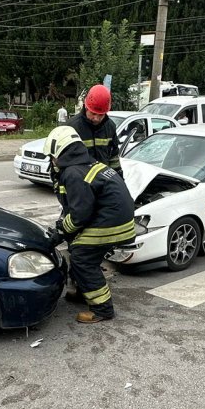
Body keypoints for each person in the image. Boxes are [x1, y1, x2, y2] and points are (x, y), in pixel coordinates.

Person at [44, 126, 136, 324]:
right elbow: (78, 207)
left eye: (51, 156)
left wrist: (60, 231)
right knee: (80, 248)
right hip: (117, 219)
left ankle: (102, 309)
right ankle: (84, 291)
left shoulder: (72, 173)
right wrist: (64, 229)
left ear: (58, 153)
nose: (51, 162)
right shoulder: (86, 164)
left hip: (112, 223)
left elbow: (79, 215)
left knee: (82, 257)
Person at [68, 84, 121, 173]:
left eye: (101, 115)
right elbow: (60, 161)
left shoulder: (110, 127)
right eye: (93, 113)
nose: (96, 118)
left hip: (103, 183)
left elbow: (114, 158)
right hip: (79, 183)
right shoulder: (71, 127)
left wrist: (118, 179)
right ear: (86, 107)